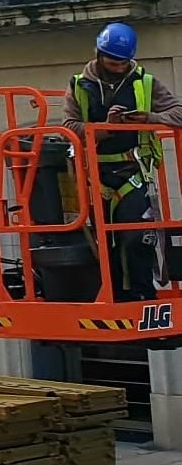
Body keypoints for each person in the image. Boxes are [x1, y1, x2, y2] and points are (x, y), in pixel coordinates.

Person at [61, 22, 182, 301]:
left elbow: (178, 112)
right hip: (96, 173)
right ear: (100, 55)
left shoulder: (145, 82)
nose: (119, 66)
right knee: (105, 241)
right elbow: (69, 126)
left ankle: (141, 293)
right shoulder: (80, 85)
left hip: (132, 170)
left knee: (136, 235)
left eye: (124, 62)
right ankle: (115, 295)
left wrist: (151, 118)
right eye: (113, 61)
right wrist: (106, 127)